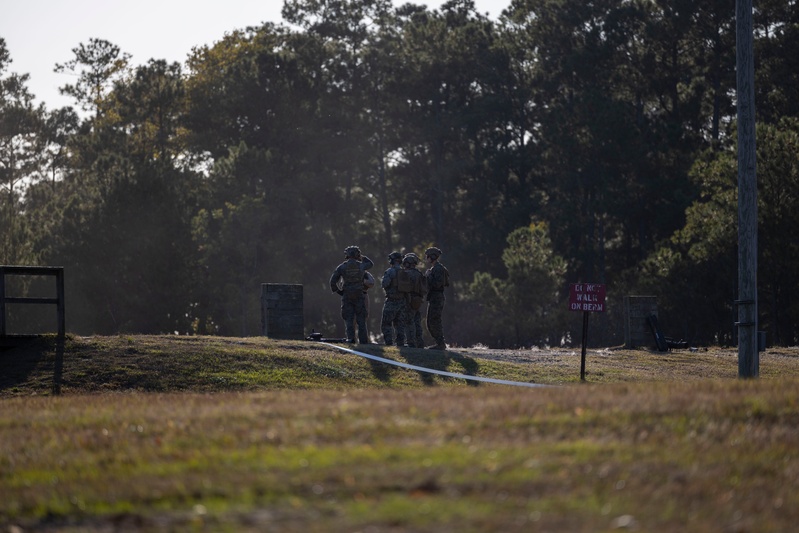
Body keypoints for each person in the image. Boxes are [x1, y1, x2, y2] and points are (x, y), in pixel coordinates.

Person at [330, 245, 374, 343]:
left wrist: (339, 292)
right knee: (361, 321)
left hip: (347, 296)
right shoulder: (361, 265)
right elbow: (371, 264)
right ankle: (363, 342)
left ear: (347, 255)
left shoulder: (342, 267)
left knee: (349, 320)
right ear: (357, 254)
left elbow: (332, 281)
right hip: (359, 295)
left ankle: (351, 340)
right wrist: (361, 257)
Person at [424, 247, 449, 350]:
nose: (426, 258)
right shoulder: (436, 268)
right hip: (435, 297)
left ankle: (440, 343)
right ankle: (439, 342)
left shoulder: (438, 269)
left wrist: (428, 276)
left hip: (437, 297)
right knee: (431, 321)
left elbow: (437, 284)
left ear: (432, 257)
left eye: (428, 256)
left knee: (434, 321)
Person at [400, 252, 427, 348]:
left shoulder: (405, 274)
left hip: (408, 300)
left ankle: (410, 342)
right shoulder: (419, 274)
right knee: (417, 322)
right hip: (418, 300)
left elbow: (402, 288)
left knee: (408, 321)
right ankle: (420, 342)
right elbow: (424, 289)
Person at [380, 251, 406, 346]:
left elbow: (384, 284)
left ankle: (389, 343)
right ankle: (400, 343)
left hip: (391, 301)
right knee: (399, 324)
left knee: (386, 324)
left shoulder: (390, 271)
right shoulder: (404, 272)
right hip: (402, 302)